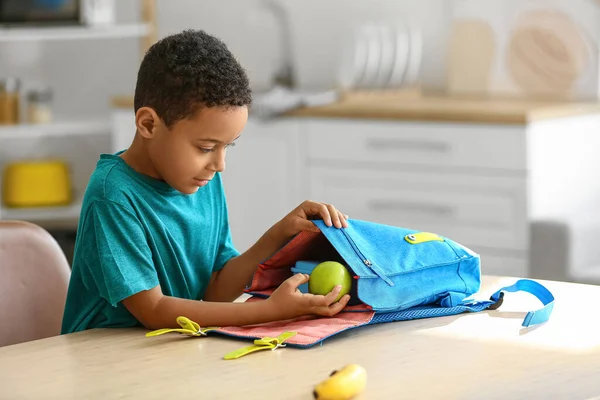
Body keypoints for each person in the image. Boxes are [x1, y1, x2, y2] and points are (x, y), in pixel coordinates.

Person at [61, 29, 350, 334]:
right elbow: (155, 311)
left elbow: (214, 288)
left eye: (229, 146)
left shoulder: (201, 178)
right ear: (148, 124)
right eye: (206, 148)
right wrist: (269, 311)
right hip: (103, 359)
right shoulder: (113, 194)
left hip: (169, 352)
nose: (219, 164)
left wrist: (279, 234)